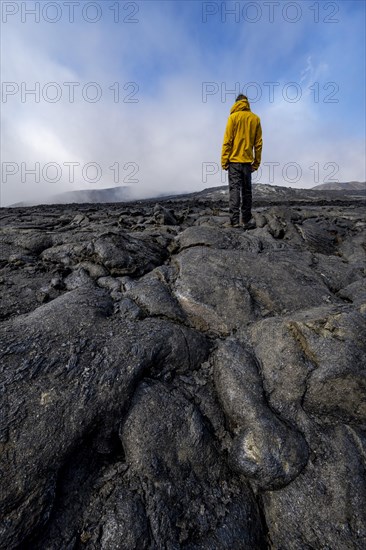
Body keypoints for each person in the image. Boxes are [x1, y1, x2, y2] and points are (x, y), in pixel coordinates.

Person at [221, 94, 262, 228]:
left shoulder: (233, 118)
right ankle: (246, 220)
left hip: (234, 162)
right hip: (247, 163)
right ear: (247, 103)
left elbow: (227, 141)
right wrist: (256, 163)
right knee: (247, 192)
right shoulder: (255, 119)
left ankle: (234, 222)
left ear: (236, 103)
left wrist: (224, 161)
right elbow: (258, 144)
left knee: (234, 191)